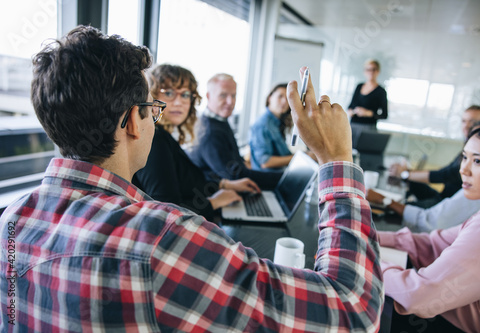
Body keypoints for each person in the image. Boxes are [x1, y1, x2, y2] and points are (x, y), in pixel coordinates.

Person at [0, 27, 383, 332]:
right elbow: (352, 311)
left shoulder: (12, 222)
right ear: (135, 120)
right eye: (154, 109)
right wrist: (336, 159)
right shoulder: (163, 238)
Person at [380, 123, 480, 332]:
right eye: (465, 157)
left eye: (478, 161)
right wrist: (367, 236)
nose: (464, 169)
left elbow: (417, 297)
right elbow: (434, 243)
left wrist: (367, 263)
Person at [133, 64, 260, 220]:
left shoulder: (166, 135)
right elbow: (166, 213)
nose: (179, 102)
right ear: (151, 97)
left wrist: (224, 185)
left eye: (185, 94)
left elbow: (186, 182)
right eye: (170, 93)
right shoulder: (155, 139)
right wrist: (213, 202)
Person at [189, 74, 282, 190]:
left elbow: (234, 165)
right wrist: (284, 178)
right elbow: (235, 177)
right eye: (223, 95)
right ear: (208, 96)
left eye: (233, 96)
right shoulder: (210, 132)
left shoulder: (219, 120)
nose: (230, 101)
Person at [390, 106, 480, 208]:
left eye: (473, 122)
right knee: (410, 186)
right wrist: (407, 175)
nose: (467, 126)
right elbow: (445, 171)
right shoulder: (466, 149)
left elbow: (444, 175)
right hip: (443, 197)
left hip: (447, 205)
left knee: (396, 207)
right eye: (464, 121)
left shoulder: (478, 154)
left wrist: (405, 174)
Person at [348, 59, 388, 145]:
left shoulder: (381, 91)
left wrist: (369, 113)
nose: (371, 72)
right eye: (368, 69)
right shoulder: (359, 86)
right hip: (352, 126)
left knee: (364, 152)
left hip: (368, 128)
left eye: (373, 69)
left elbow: (384, 115)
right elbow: (350, 105)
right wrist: (350, 111)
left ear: (378, 71)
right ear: (364, 71)